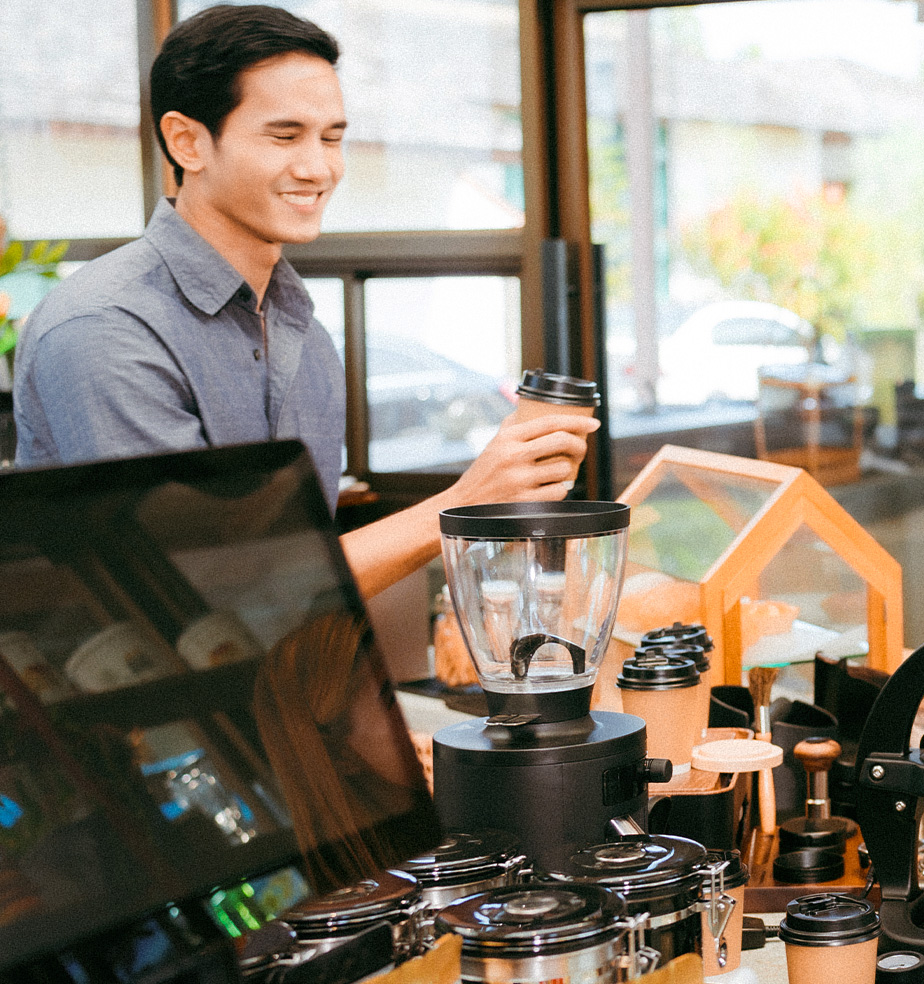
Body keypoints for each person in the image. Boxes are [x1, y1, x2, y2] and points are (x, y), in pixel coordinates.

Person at [11, 5, 593, 599]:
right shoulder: (102, 330)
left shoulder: (301, 331)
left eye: (332, 138)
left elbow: (304, 570)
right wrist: (465, 503)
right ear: (187, 141)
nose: (319, 168)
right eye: (284, 136)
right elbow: (206, 595)